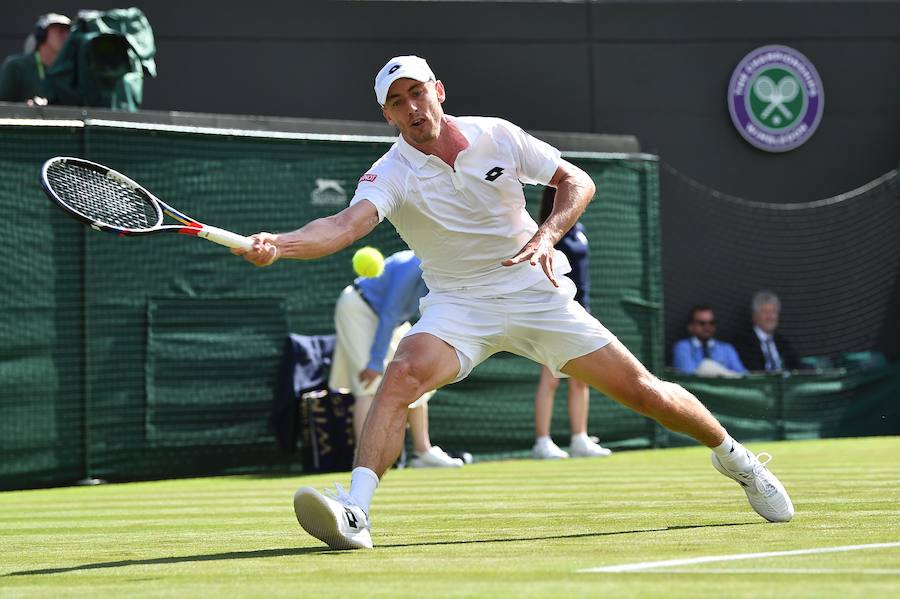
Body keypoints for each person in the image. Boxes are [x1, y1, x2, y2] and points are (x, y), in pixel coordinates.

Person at [234, 55, 794, 550]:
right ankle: (356, 513)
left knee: (643, 392)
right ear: (387, 115)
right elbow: (344, 224)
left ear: (439, 92)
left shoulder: (497, 136)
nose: (411, 107)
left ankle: (738, 460)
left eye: (417, 93)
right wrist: (279, 245)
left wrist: (547, 234)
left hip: (534, 291)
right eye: (396, 102)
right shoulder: (390, 173)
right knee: (400, 374)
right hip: (459, 306)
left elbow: (577, 180)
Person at [330, 248, 462, 468]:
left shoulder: (447, 267)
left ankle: (423, 452)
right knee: (368, 384)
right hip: (358, 309)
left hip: (394, 320)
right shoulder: (409, 265)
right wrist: (375, 361)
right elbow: (389, 313)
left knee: (416, 376)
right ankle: (364, 460)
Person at [531, 187, 611, 459]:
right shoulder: (546, 231)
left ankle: (580, 439)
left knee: (581, 379)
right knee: (550, 377)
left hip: (582, 310)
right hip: (554, 310)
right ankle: (542, 443)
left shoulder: (579, 227)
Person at [0, 13, 70, 104]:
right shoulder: (16, 66)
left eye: (68, 32)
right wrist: (25, 108)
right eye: (60, 31)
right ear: (42, 35)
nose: (66, 37)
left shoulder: (71, 70)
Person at [672, 305, 748, 377]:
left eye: (712, 323)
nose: (707, 327)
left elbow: (743, 375)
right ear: (690, 326)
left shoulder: (726, 349)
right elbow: (689, 375)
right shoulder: (683, 347)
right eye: (702, 323)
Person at [734, 290, 800, 372]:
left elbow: (797, 366)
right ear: (754, 316)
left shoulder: (782, 342)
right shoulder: (743, 342)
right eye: (765, 312)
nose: (770, 317)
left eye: (773, 312)